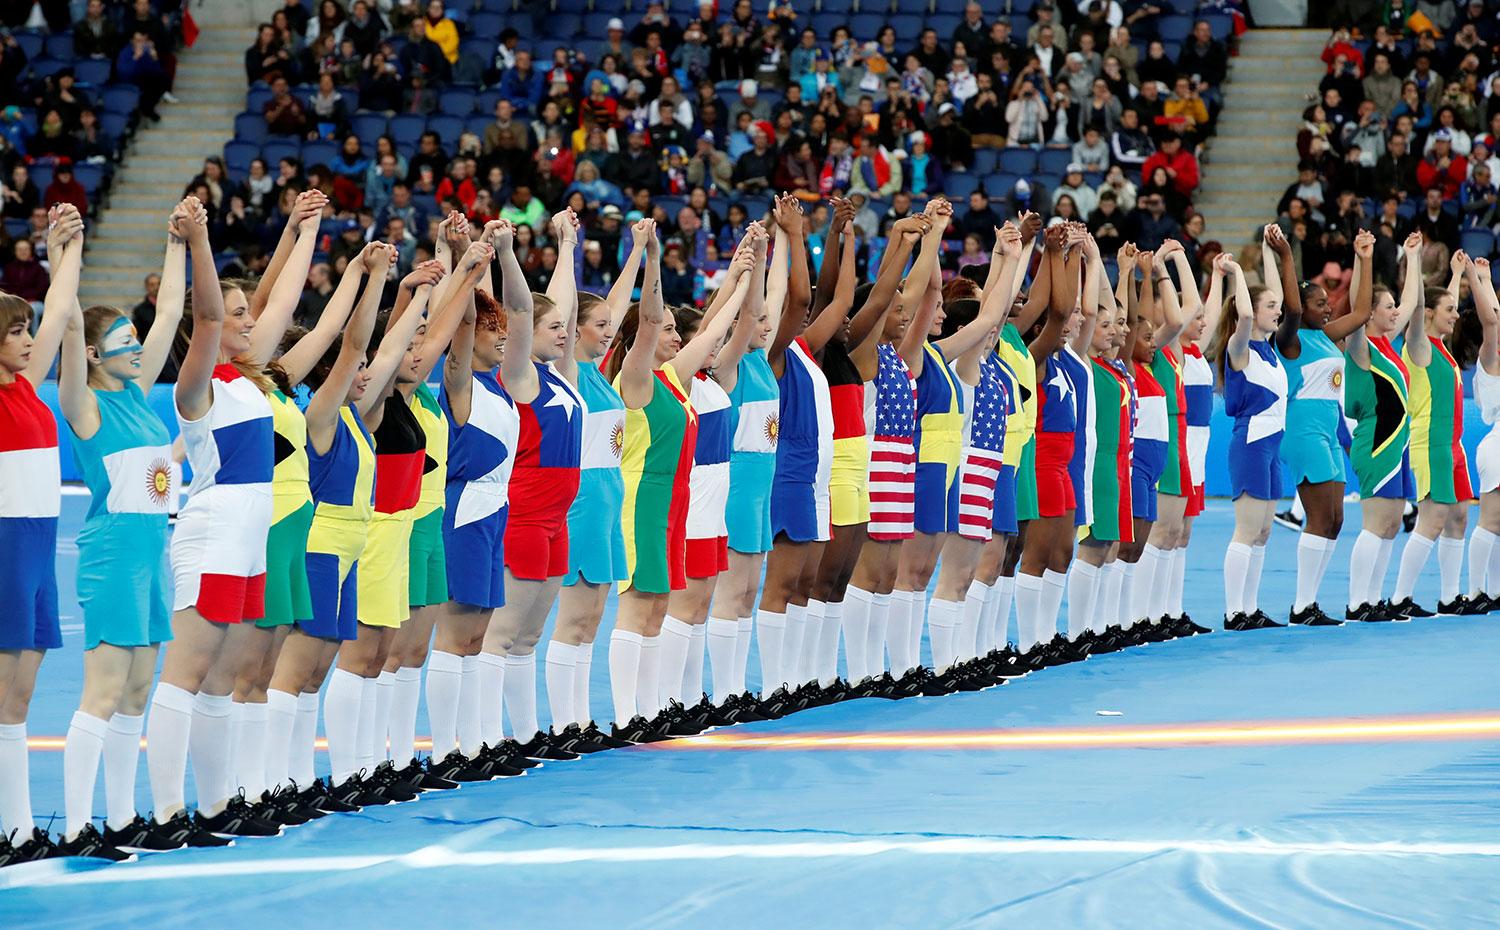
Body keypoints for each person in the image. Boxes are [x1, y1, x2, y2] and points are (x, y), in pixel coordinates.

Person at [55, 202, 189, 860]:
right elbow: (70, 326)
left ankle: (119, 818)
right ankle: (78, 826)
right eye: (124, 343)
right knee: (104, 693)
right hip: (111, 562)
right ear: (91, 355)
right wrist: (66, 263)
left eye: (137, 341)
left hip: (150, 562)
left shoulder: (138, 396)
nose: (137, 348)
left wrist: (175, 241)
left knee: (137, 693)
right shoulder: (86, 406)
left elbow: (168, 316)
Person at [603, 218, 742, 741]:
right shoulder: (635, 379)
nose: (676, 336)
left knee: (659, 606)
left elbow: (711, 331)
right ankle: (624, 717)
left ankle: (652, 708)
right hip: (643, 500)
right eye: (667, 330)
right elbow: (649, 319)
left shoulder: (673, 379)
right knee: (638, 602)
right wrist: (651, 255)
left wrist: (744, 275)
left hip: (674, 502)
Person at [477, 209, 595, 760]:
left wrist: (568, 243)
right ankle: (481, 743)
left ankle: (524, 737)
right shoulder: (519, 377)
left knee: (527, 640)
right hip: (524, 514)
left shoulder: (561, 376)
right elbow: (524, 308)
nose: (566, 333)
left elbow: (561, 305)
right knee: (499, 637)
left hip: (557, 521)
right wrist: (503, 252)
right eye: (556, 330)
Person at [0, 205, 84, 865]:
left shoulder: (29, 391)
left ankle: (20, 830)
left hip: (34, 552)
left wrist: (63, 251)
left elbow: (59, 313)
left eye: (28, 329)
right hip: (5, 551)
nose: (30, 338)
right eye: (16, 331)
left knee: (20, 698)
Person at [549, 224, 650, 745]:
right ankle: (563, 725)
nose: (607, 331)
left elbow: (612, 304)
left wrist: (635, 252)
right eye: (598, 325)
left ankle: (582, 720)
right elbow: (564, 311)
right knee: (574, 620)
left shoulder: (599, 371)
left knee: (591, 622)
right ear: (573, 331)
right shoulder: (566, 371)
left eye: (611, 326)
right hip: (584, 500)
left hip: (610, 499)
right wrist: (567, 247)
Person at [1270, 224, 1373, 626]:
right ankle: (1301, 605)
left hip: (1327, 431)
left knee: (1335, 520)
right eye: (1319, 302)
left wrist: (1362, 258)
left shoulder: (1327, 338)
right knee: (1318, 519)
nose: (1327, 307)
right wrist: (1285, 257)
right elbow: (1292, 309)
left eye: (1328, 301)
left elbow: (1361, 312)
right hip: (1302, 429)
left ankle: (1309, 602)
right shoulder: (1290, 340)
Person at [1207, 241, 1289, 631]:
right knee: (1246, 529)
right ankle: (1233, 611)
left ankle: (1250, 608)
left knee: (1264, 531)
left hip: (1272, 448)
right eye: (1270, 307)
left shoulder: (1269, 348)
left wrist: (1269, 254)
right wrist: (1237, 272)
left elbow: (1276, 297)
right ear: (1253, 312)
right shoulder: (1239, 348)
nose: (1279, 311)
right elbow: (1242, 312)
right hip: (1251, 444)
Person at [1391, 252, 1477, 616]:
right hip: (1430, 443)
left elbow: (1441, 303)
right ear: (1429, 315)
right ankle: (1400, 598)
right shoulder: (1420, 347)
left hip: (1453, 445)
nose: (1456, 315)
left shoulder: (1443, 348)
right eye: (1450, 311)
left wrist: (1456, 273)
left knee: (1458, 517)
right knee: (1433, 520)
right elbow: (1420, 305)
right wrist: (1412, 260)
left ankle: (1449, 597)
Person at [1343, 232, 1423, 622]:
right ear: (1370, 312)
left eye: (1393, 307)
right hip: (1375, 441)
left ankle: (1374, 600)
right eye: (1386, 307)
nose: (1394, 312)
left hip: (1398, 443)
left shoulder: (1390, 343)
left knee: (1392, 524)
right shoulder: (1361, 347)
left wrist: (1413, 256)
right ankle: (1358, 602)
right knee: (1376, 524)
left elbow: (1410, 302)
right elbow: (1357, 307)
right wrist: (1363, 259)